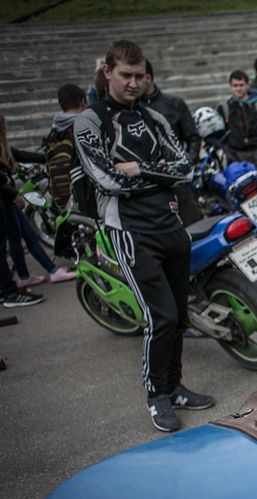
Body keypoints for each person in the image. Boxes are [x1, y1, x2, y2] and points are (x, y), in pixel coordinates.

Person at [73, 40, 214, 432]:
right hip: (131, 232)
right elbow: (106, 179)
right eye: (126, 75)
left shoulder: (154, 117)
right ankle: (156, 396)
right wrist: (158, 172)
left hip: (170, 225)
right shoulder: (89, 121)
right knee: (160, 316)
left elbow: (185, 168)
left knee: (179, 315)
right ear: (108, 72)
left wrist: (138, 169)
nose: (134, 83)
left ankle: (175, 387)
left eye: (139, 76)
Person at [0, 117, 77, 289]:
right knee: (16, 237)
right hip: (5, 199)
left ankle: (33, 274)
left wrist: (48, 158)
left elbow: (21, 155)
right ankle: (44, 272)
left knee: (26, 234)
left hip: (7, 198)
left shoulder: (5, 148)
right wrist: (14, 194)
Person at [141, 60, 202, 225]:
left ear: (148, 78)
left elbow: (193, 138)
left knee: (193, 226)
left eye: (138, 77)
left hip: (178, 182)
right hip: (148, 186)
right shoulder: (132, 110)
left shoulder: (175, 103)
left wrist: (186, 165)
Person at [220, 69, 257, 183]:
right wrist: (229, 153)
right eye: (235, 85)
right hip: (236, 157)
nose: (238, 88)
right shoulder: (225, 109)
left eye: (241, 85)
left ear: (247, 85)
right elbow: (221, 135)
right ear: (230, 87)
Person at [45, 83, 87, 210]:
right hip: (81, 198)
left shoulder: (53, 133)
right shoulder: (83, 128)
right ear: (83, 101)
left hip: (59, 198)